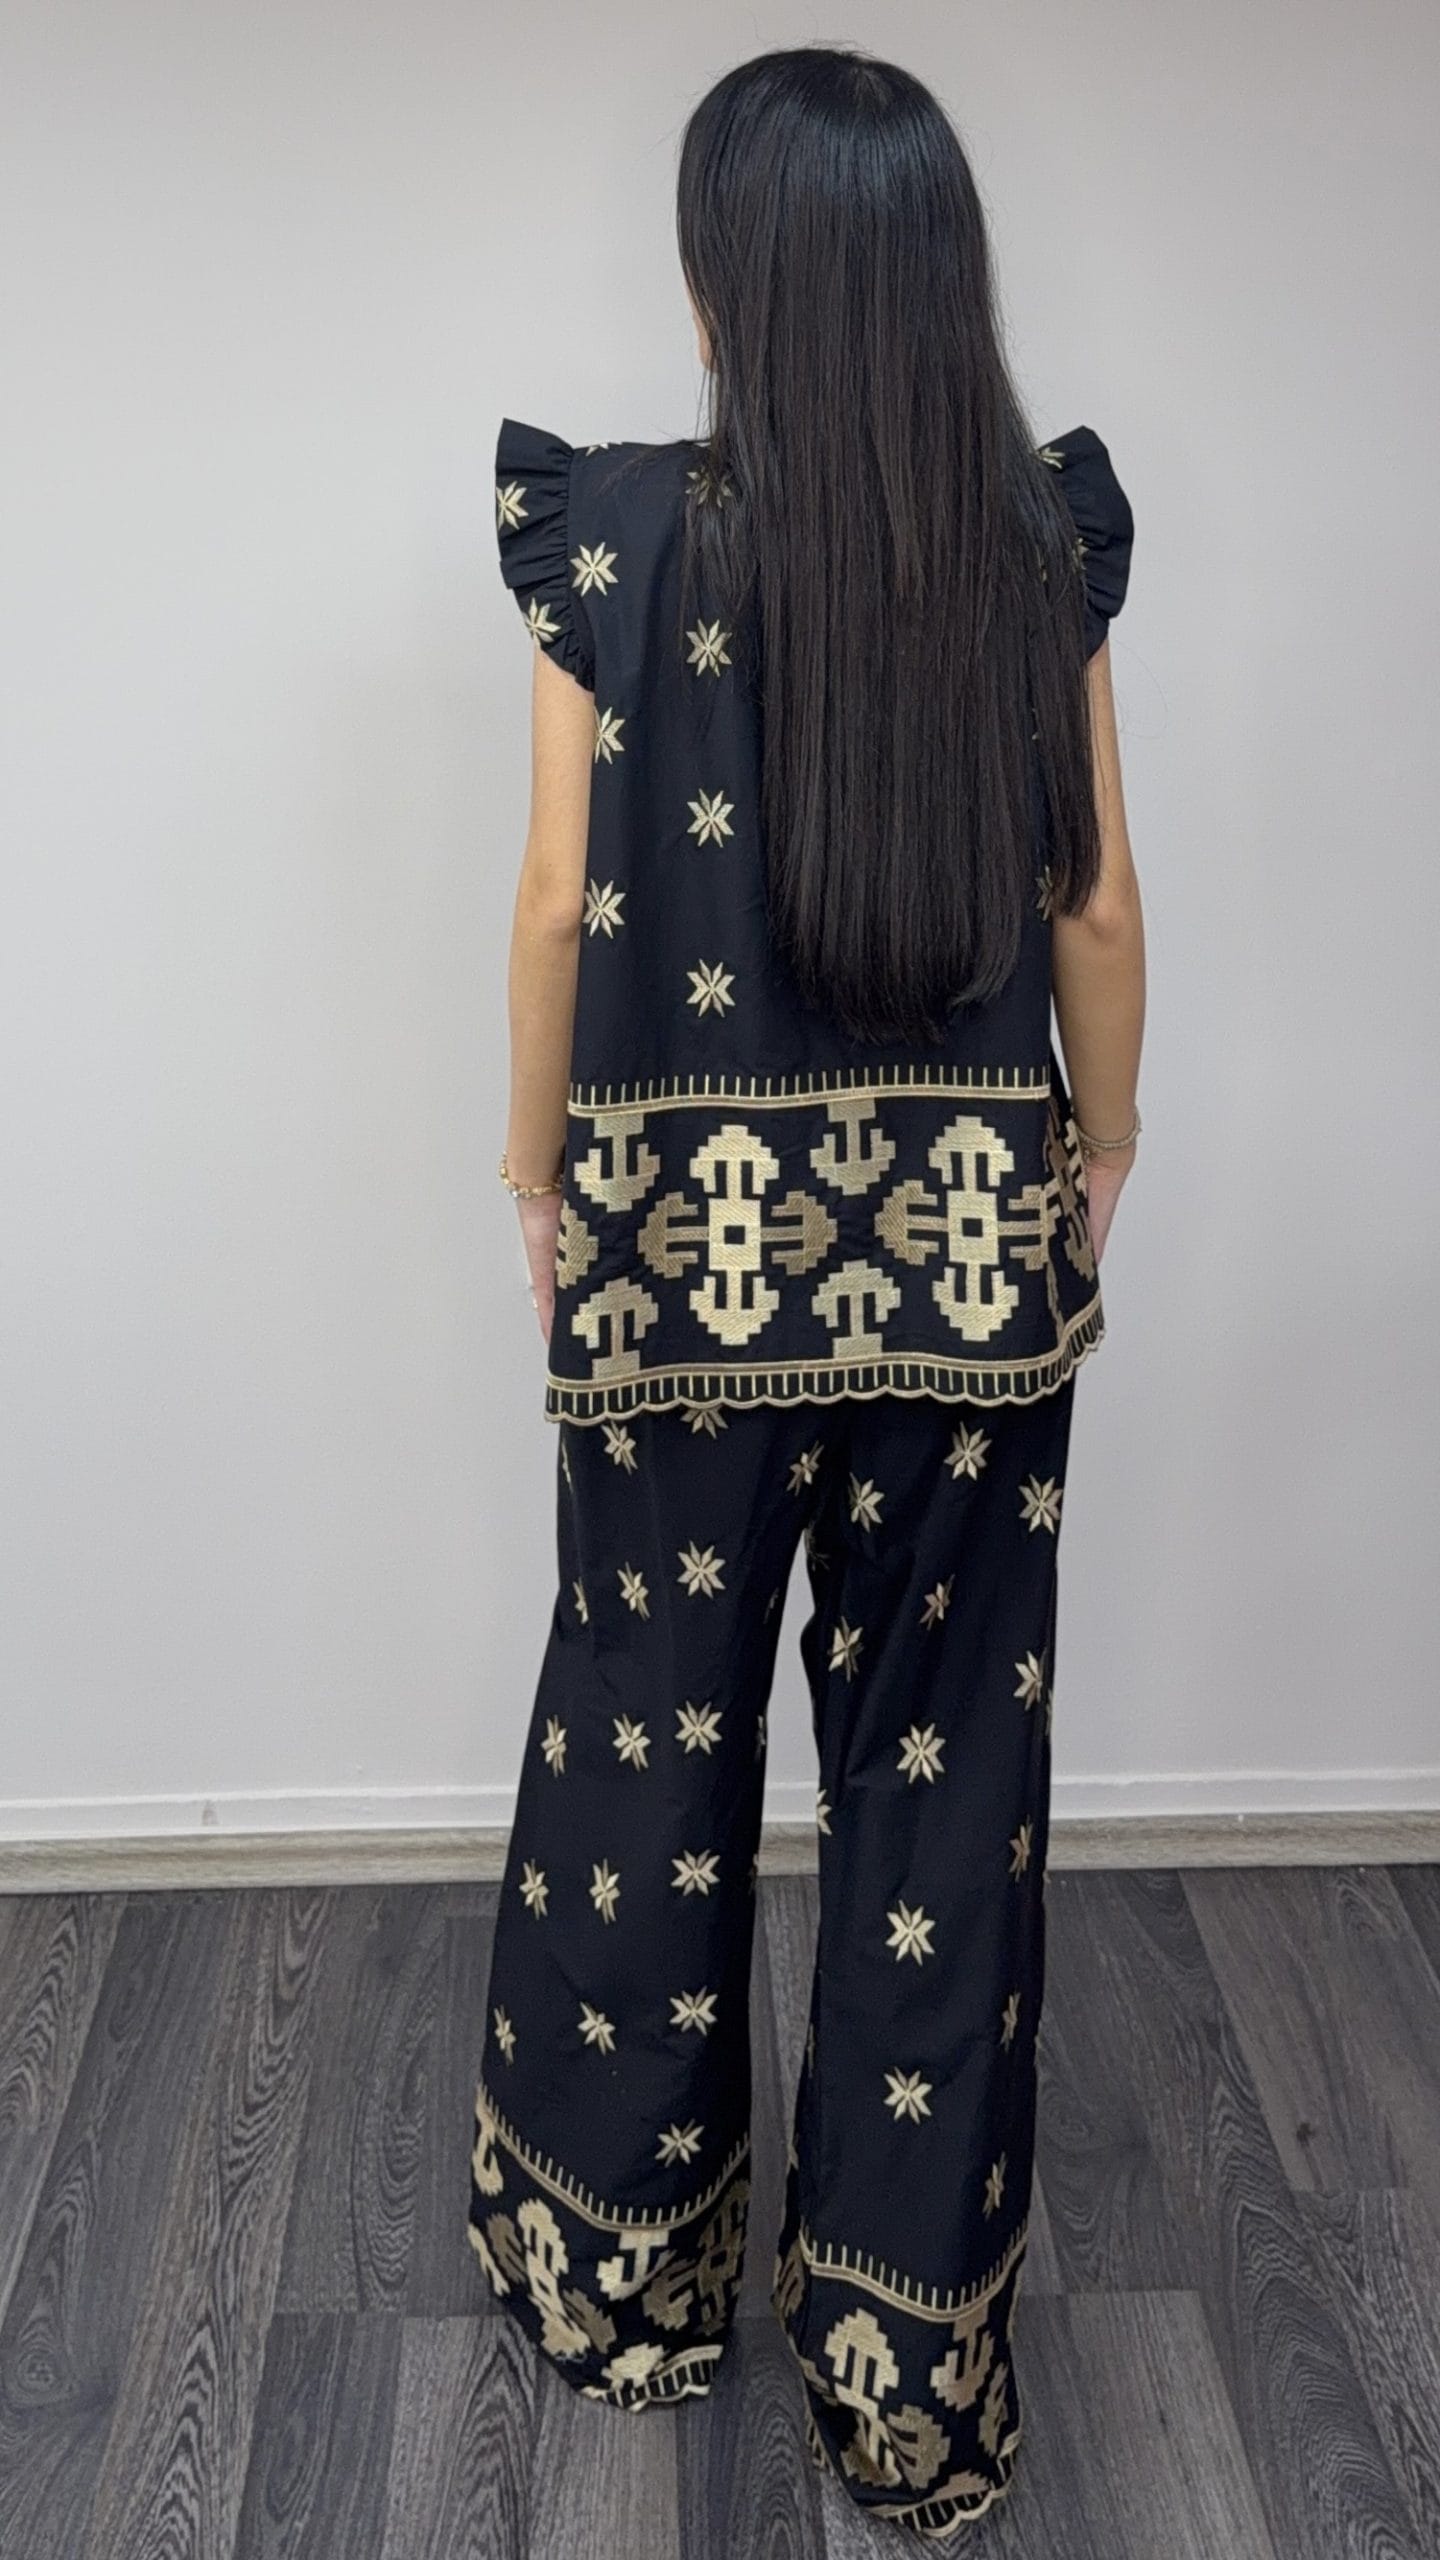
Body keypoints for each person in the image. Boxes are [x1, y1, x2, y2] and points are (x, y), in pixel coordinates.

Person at [468, 40, 1145, 2541]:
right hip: (969, 1260)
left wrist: (537, 1166)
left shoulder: (615, 539)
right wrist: (1104, 1147)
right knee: (943, 1774)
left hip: (683, 1264)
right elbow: (1094, 902)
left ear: (718, 281)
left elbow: (562, 899)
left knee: (644, 1742)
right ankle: (905, 2369)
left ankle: (622, 2282)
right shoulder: (1034, 542)